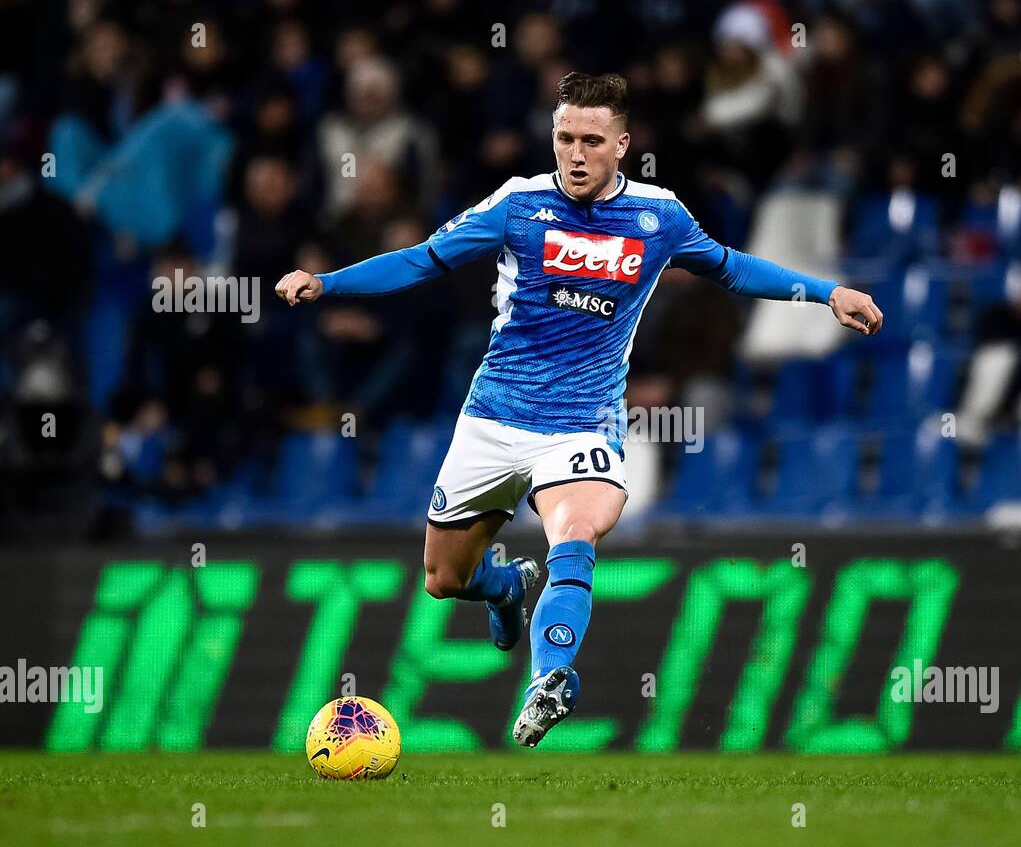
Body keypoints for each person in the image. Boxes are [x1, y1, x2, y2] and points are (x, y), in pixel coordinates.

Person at [275, 72, 883, 747]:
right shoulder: (518, 204)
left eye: (592, 140)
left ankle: (551, 680)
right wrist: (326, 282)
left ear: (622, 144)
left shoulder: (660, 217)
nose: (575, 152)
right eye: (565, 137)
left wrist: (827, 293)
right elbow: (424, 261)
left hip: (583, 420)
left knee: (575, 533)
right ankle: (505, 587)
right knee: (445, 579)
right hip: (494, 415)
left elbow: (733, 268)